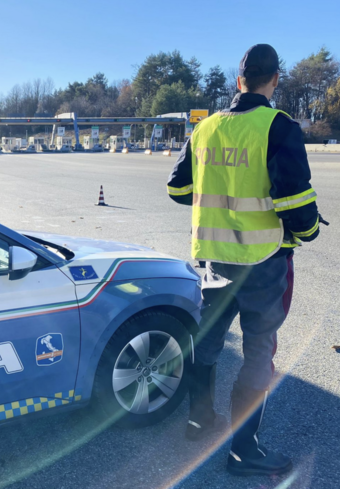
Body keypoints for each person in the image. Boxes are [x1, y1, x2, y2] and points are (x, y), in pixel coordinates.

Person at [166, 44, 321, 476]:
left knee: (209, 342)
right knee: (257, 354)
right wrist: (308, 232)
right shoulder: (278, 126)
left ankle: (199, 421)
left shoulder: (206, 129)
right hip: (264, 259)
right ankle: (243, 452)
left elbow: (177, 190)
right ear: (274, 81)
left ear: (239, 81)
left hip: (215, 258)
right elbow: (297, 205)